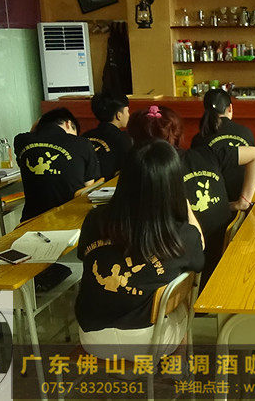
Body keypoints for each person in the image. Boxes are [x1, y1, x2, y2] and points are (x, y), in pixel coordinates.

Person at [75, 140, 205, 360]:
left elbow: (85, 260)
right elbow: (198, 258)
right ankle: (178, 370)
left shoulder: (94, 220)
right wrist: (185, 205)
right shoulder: (182, 235)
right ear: (174, 185)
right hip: (148, 343)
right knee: (183, 297)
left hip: (92, 339)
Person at [128, 105, 255, 291]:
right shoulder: (207, 153)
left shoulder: (153, 179)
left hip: (193, 272)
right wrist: (243, 202)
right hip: (223, 258)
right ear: (178, 135)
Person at [14, 107, 100, 222]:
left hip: (30, 221)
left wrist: (42, 123)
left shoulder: (21, 141)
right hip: (72, 220)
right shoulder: (83, 143)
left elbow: (33, 132)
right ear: (68, 124)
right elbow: (87, 189)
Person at [191, 89, 255, 200]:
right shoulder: (246, 132)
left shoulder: (198, 139)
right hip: (245, 198)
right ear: (230, 108)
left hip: (213, 201)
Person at [82, 91, 132, 181]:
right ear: (119, 115)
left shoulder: (85, 136)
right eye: (127, 111)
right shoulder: (124, 139)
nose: (129, 115)